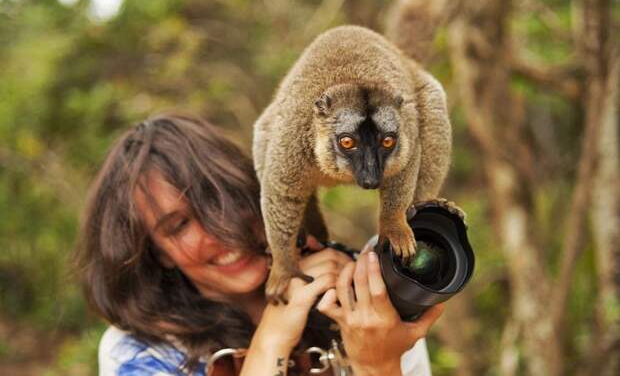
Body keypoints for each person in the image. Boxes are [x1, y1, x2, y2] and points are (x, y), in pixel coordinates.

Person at [75, 114, 444, 375]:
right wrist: (274, 332)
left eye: (225, 199)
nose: (219, 231)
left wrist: (377, 364)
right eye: (180, 225)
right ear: (158, 253)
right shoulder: (144, 352)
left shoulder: (362, 299)